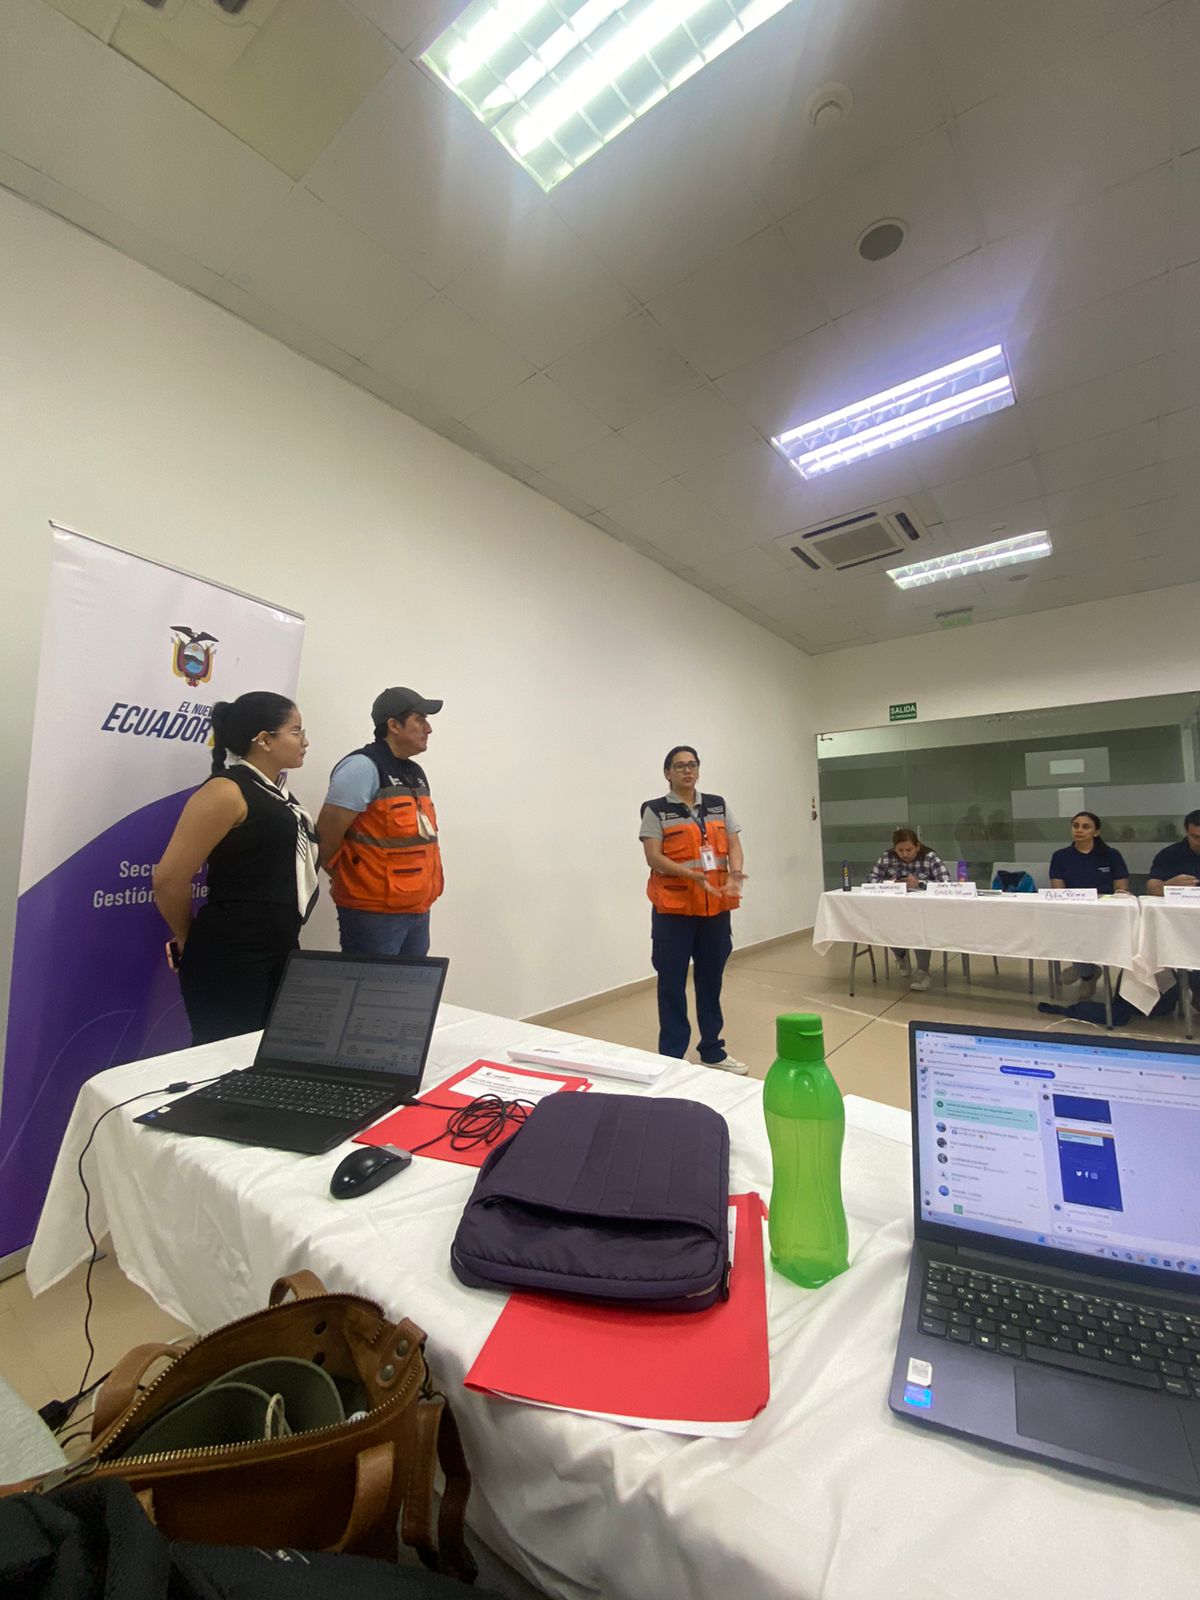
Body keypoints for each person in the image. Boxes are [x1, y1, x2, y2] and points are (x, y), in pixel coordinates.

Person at [153, 692, 318, 1046]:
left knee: (270, 1052)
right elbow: (169, 879)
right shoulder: (226, 791)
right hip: (233, 948)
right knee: (225, 1056)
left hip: (281, 941)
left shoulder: (278, 794)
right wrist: (187, 937)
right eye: (295, 732)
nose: (304, 742)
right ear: (264, 739)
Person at [639, 746, 746, 1073]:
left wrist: (735, 873)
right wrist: (692, 877)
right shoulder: (656, 810)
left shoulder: (717, 804)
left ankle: (713, 1051)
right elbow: (653, 856)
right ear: (667, 773)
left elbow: (734, 843)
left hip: (715, 909)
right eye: (680, 766)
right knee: (671, 983)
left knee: (710, 982)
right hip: (674, 911)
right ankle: (672, 1056)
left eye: (692, 765)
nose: (687, 770)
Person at [316, 687, 443, 957]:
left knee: (412, 983)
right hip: (373, 913)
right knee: (371, 984)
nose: (428, 728)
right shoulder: (361, 768)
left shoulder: (414, 772)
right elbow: (325, 838)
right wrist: (352, 880)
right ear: (394, 725)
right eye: (420, 719)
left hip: (417, 909)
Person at [1049, 811, 1130, 999]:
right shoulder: (1060, 856)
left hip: (1104, 912)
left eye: (1086, 827)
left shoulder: (1111, 855)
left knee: (1089, 930)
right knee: (1065, 926)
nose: (1079, 830)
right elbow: (1058, 890)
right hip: (1073, 911)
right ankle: (1087, 973)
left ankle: (1082, 969)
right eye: (1075, 826)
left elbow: (1122, 889)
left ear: (1096, 832)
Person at [867, 826, 950, 992]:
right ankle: (901, 956)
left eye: (909, 850)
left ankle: (923, 971)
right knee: (884, 927)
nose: (904, 854)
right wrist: (888, 884)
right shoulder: (887, 857)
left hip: (924, 911)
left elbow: (946, 883)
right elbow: (871, 879)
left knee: (920, 930)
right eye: (900, 850)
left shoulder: (929, 857)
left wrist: (920, 883)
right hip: (894, 909)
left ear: (917, 846)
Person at [1146, 810, 1200, 1009]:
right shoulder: (1170, 854)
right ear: (1186, 832)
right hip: (1181, 926)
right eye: (1196, 837)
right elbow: (1151, 887)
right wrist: (1168, 886)